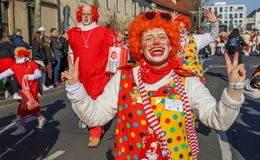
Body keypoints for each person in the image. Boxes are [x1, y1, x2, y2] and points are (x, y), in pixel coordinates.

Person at [62, 11, 246, 160]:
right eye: (148, 38)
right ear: (139, 46)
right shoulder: (123, 77)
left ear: (171, 42)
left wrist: (234, 90)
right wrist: (75, 88)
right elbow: (95, 117)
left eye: (162, 36)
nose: (156, 42)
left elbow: (218, 121)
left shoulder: (187, 80)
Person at [66, 4, 119, 147]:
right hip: (80, 75)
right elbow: (70, 53)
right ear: (79, 15)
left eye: (89, 13)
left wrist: (118, 41)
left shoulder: (104, 32)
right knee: (79, 100)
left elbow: (115, 50)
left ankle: (95, 132)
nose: (86, 16)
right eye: (83, 13)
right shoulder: (72, 32)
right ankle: (88, 119)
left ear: (94, 15)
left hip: (98, 74)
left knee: (95, 99)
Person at [0, 47, 46, 136]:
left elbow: (38, 74)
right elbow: (4, 74)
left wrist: (29, 76)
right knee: (32, 106)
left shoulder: (31, 63)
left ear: (21, 55)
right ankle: (41, 118)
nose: (14, 56)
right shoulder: (15, 66)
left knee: (23, 109)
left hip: (32, 90)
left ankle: (22, 127)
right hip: (25, 91)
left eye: (16, 54)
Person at [174, 10, 219, 80]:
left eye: (184, 27)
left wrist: (215, 23)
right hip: (176, 79)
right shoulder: (170, 41)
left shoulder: (195, 39)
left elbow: (212, 36)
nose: (182, 29)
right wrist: (167, 23)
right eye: (179, 27)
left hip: (193, 78)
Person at [9, 28, 29, 99]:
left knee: (16, 76)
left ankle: (17, 92)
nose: (21, 33)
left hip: (15, 59)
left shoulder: (13, 39)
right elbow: (23, 46)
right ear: (17, 32)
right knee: (18, 76)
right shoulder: (17, 39)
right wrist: (26, 44)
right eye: (20, 32)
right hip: (19, 59)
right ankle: (17, 92)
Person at [0, 33, 15, 98]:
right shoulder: (10, 45)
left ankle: (2, 91)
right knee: (9, 76)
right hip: (9, 61)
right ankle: (7, 91)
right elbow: (12, 54)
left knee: (1, 77)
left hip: (0, 61)